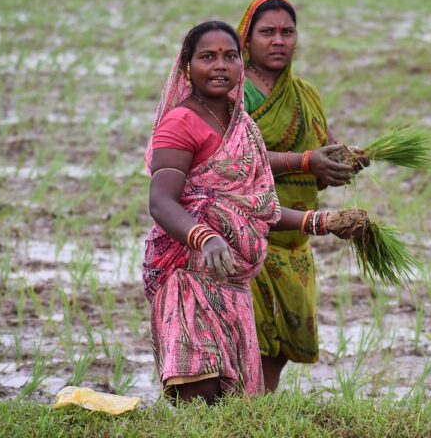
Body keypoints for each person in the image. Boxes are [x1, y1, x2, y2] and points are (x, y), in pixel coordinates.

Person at [142, 20, 368, 405]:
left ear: (240, 63)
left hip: (234, 288)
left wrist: (323, 222)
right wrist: (206, 236)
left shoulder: (243, 126)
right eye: (207, 57)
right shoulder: (179, 123)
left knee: (238, 412)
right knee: (202, 399)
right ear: (186, 67)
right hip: (189, 281)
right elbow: (161, 201)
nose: (220, 66)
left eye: (229, 56)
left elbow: (257, 210)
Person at [236, 0, 369, 392]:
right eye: (267, 32)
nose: (278, 40)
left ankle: (259, 410)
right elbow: (235, 157)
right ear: (246, 38)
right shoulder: (233, 93)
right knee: (253, 338)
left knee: (281, 341)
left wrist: (348, 158)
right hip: (247, 234)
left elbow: (322, 146)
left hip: (295, 241)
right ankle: (243, 411)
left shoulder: (306, 94)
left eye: (287, 32)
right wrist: (308, 161)